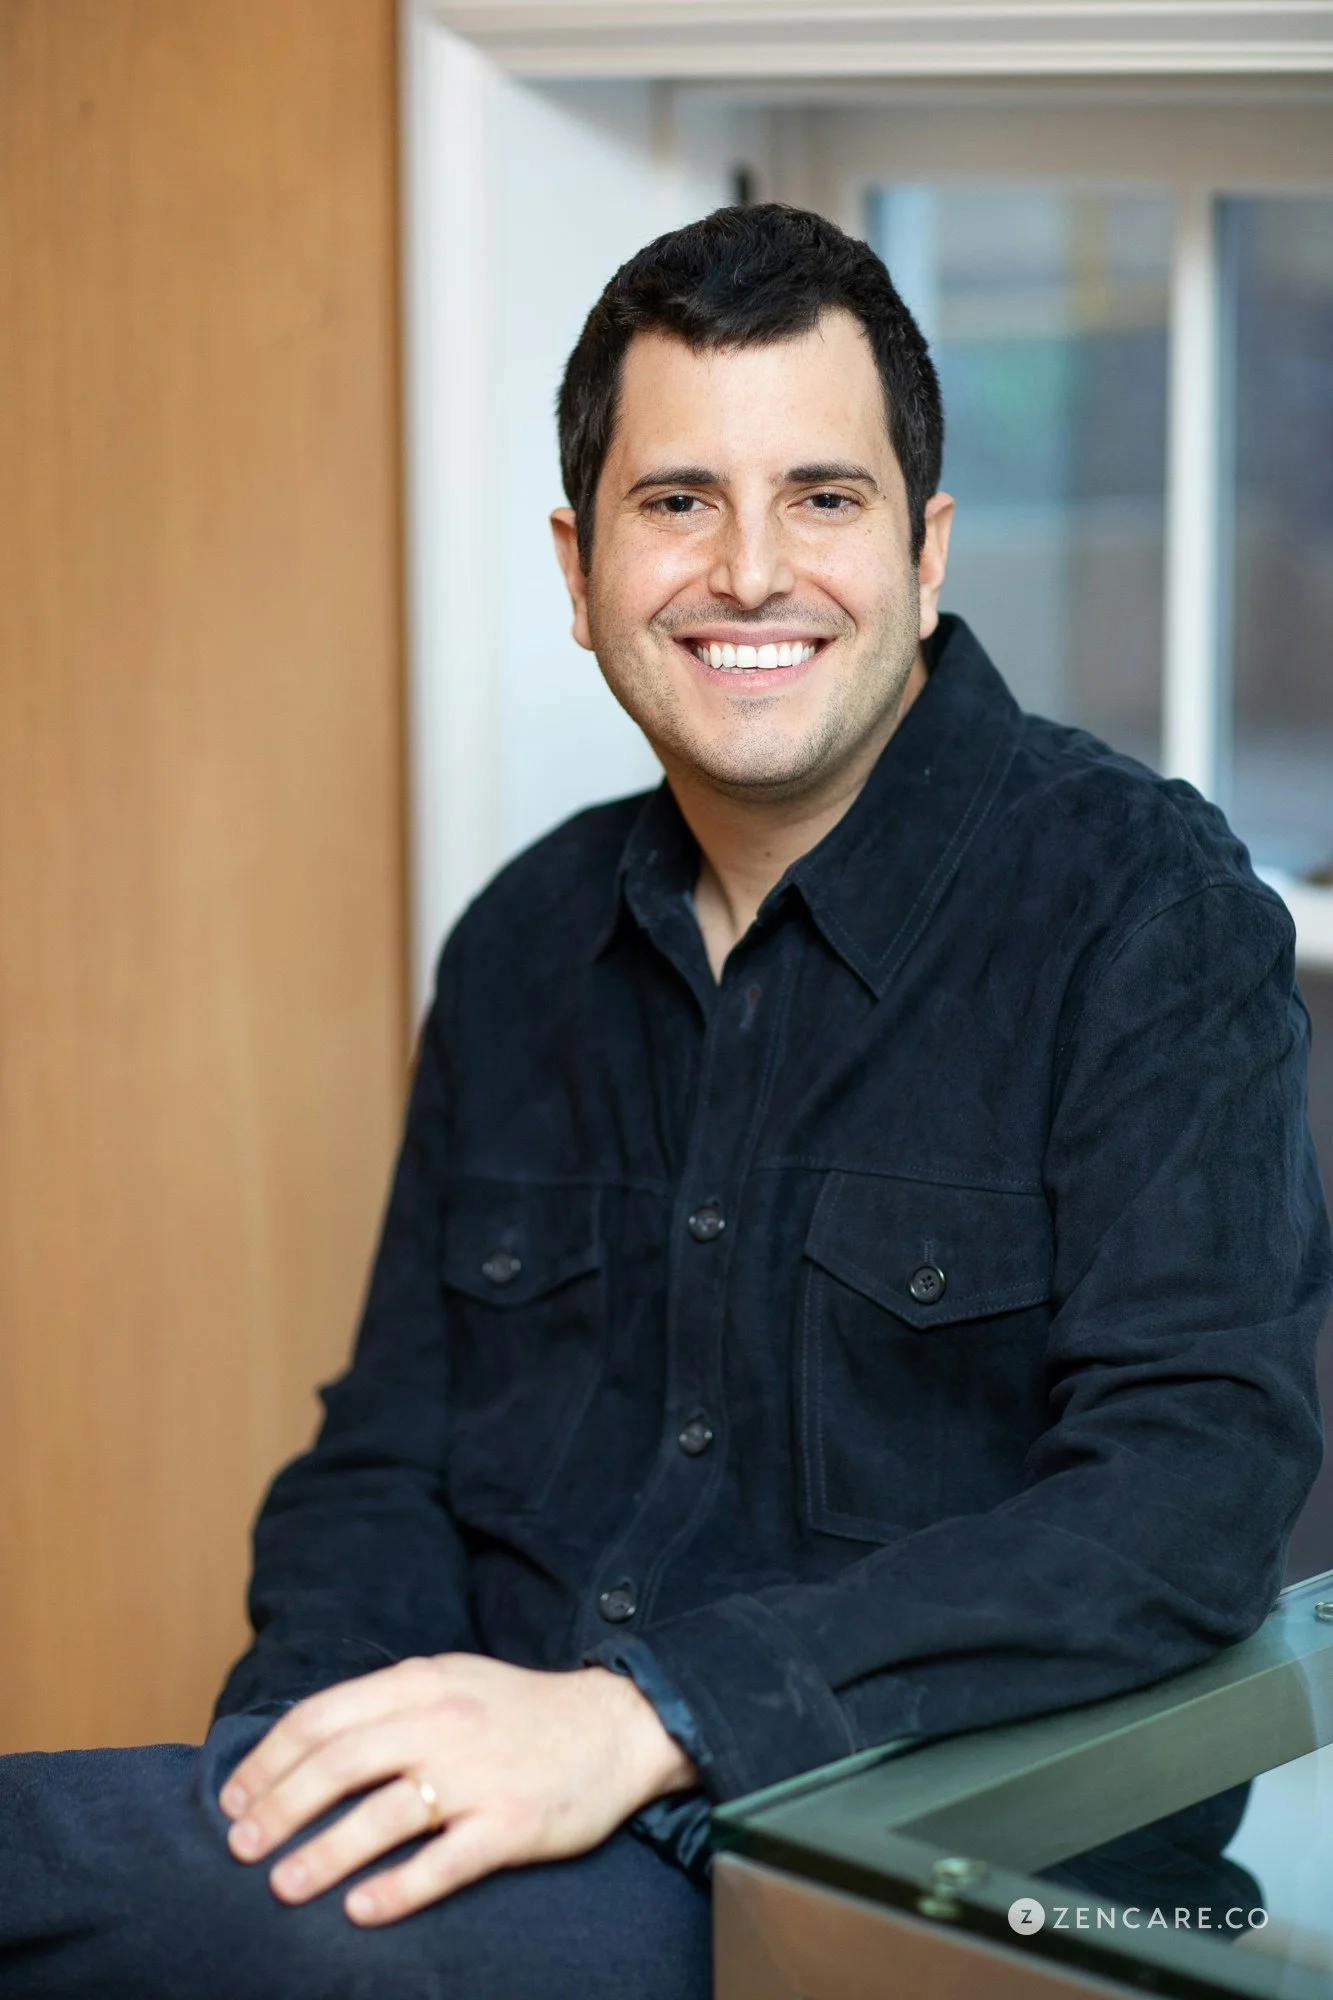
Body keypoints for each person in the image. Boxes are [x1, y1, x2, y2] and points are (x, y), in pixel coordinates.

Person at [1, 203, 1328, 1999]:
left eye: (824, 497)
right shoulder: (521, 945)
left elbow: (1189, 1499)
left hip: (913, 1883)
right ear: (581, 570)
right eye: (679, 500)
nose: (751, 572)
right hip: (503, 1853)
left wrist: (646, 1720)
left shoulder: (1146, 913)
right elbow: (386, 1461)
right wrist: (327, 1773)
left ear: (927, 550)